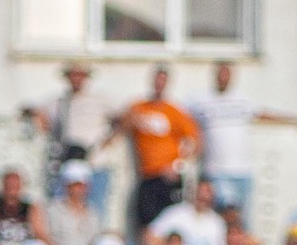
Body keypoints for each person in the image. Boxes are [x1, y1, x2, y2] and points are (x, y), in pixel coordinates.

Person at [190, 62, 297, 213]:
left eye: (227, 74)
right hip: (215, 171)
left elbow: (262, 114)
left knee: (241, 218)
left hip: (242, 171)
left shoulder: (242, 99)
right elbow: (182, 119)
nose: (223, 78)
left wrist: (293, 120)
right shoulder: (200, 100)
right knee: (220, 215)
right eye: (221, 74)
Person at [31, 62, 118, 217]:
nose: (76, 79)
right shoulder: (60, 102)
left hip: (94, 162)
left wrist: (109, 140)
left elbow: (123, 118)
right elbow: (42, 117)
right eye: (73, 75)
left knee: (94, 210)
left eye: (80, 75)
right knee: (61, 210)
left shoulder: (100, 100)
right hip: (68, 162)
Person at [121, 66, 200, 234]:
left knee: (170, 224)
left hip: (168, 176)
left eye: (163, 81)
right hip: (148, 174)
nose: (159, 84)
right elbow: (122, 124)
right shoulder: (139, 107)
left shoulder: (174, 111)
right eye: (157, 80)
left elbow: (195, 141)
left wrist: (179, 166)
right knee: (145, 224)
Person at [147, 178, 226, 245]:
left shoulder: (217, 223)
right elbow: (150, 235)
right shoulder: (176, 213)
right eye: (201, 192)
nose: (203, 196)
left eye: (207, 193)